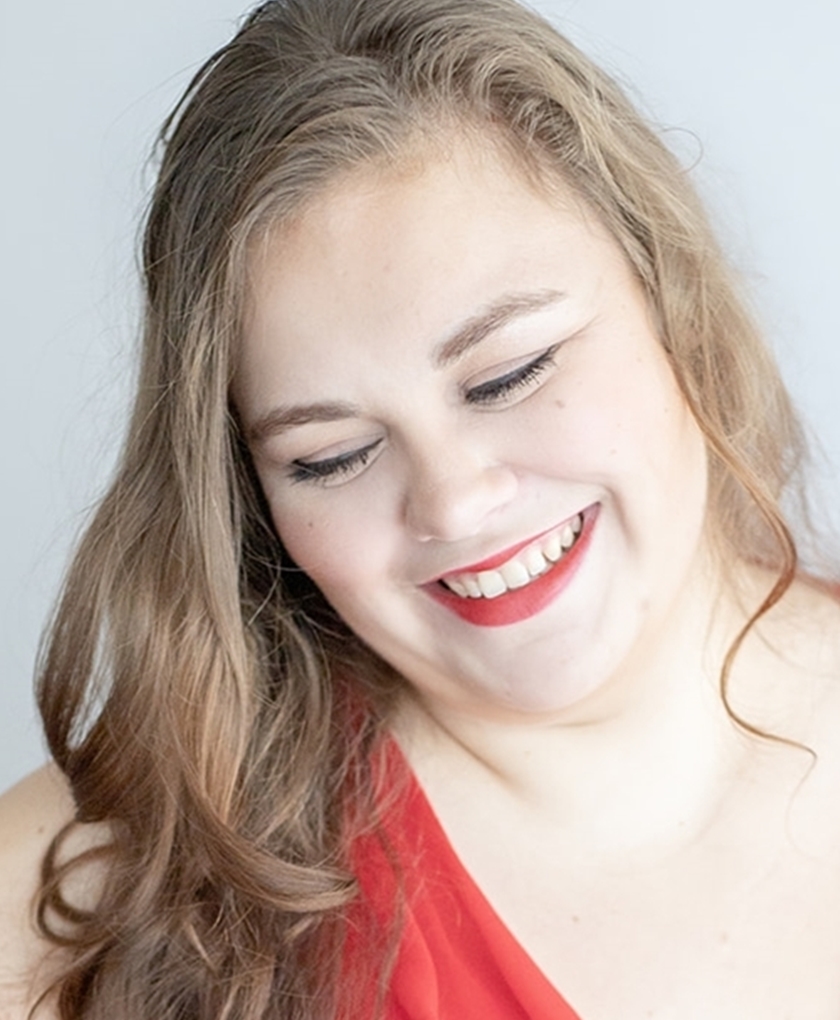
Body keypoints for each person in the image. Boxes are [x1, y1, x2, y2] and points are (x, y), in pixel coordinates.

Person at [2, 0, 840, 1016]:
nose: (455, 502)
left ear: (669, 298)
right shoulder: (88, 895)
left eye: (509, 373)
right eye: (333, 457)